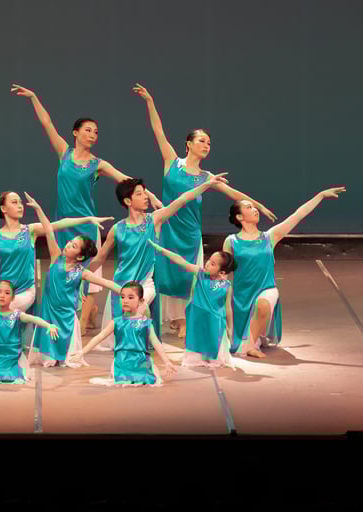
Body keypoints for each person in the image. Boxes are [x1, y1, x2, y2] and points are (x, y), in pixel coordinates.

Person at [12, 84, 162, 333]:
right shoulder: (64, 153)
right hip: (63, 223)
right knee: (64, 269)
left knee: (88, 275)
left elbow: (126, 180)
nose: (92, 135)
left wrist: (151, 195)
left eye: (96, 132)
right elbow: (47, 123)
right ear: (76, 132)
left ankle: (81, 324)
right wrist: (34, 97)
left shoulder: (97, 164)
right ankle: (83, 313)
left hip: (87, 224)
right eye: (88, 130)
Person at [134, 83, 276, 338]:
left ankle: (186, 319)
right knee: (166, 272)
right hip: (167, 227)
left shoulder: (207, 177)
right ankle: (174, 319)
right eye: (202, 141)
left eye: (209, 143)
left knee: (190, 275)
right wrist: (150, 102)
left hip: (189, 232)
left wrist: (260, 205)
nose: (206, 145)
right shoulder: (171, 162)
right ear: (188, 144)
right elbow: (158, 131)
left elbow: (234, 194)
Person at [88, 174, 227, 349]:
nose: (145, 197)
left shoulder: (154, 220)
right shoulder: (117, 229)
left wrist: (207, 184)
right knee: (116, 338)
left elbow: (183, 199)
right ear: (128, 201)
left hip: (146, 284)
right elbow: (100, 258)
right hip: (120, 285)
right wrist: (81, 273)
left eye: (144, 193)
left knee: (137, 311)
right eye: (139, 194)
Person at [224, 187, 346, 358]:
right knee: (235, 341)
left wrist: (320, 196)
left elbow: (298, 215)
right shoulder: (231, 241)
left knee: (263, 305)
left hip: (266, 288)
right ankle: (252, 339)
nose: (255, 209)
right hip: (242, 296)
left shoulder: (269, 237)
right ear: (239, 217)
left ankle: (251, 346)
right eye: (249, 207)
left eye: (255, 207)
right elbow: (222, 273)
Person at [24, 194, 122, 367]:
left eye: (74, 246)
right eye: (70, 242)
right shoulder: (56, 256)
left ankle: (63, 356)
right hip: (49, 313)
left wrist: (125, 291)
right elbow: (48, 229)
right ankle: (50, 357)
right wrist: (38, 209)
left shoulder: (82, 272)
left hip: (66, 317)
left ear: (80, 256)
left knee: (66, 357)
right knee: (48, 355)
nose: (68, 244)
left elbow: (107, 283)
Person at [0, 190, 113, 319]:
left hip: (25, 289)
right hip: (3, 291)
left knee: (2, 312)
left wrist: (87, 219)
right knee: (2, 320)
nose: (20, 206)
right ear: (3, 208)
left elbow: (59, 224)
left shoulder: (30, 230)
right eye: (14, 202)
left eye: (20, 202)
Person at [68, 281, 177, 387]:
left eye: (130, 297)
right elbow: (99, 337)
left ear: (140, 301)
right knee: (125, 379)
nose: (125, 301)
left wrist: (167, 362)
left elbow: (156, 342)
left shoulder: (146, 323)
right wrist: (82, 352)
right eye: (122, 297)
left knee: (150, 378)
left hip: (141, 361)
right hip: (122, 362)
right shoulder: (117, 322)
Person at [148, 240, 235, 369]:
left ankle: (212, 358)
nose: (207, 264)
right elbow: (180, 261)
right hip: (197, 318)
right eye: (209, 260)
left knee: (214, 346)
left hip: (215, 322)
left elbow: (228, 308)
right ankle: (197, 358)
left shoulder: (227, 286)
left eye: (212, 264)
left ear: (222, 272)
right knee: (196, 342)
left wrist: (230, 328)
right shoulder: (200, 274)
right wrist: (161, 250)